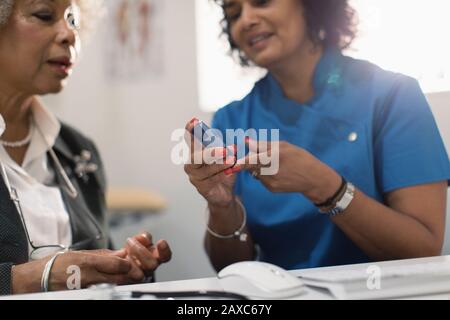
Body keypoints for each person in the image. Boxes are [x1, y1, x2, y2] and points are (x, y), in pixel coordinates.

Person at [184, 0, 450, 272]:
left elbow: (423, 249)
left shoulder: (393, 95)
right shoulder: (232, 119)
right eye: (233, 13)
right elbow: (229, 268)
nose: (246, 20)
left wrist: (324, 187)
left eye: (261, 2)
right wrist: (222, 208)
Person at [0, 0, 171, 295]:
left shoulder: (79, 150)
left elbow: (96, 261)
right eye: (44, 15)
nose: (70, 34)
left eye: (72, 19)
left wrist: (125, 267)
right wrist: (32, 278)